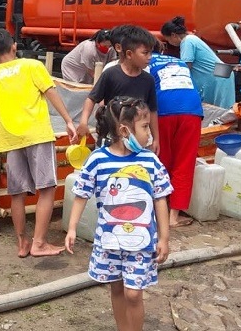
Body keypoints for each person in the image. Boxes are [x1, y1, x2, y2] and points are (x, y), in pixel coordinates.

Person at [65, 96, 172, 331]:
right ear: (125, 130)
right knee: (116, 287)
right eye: (145, 127)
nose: (149, 134)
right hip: (109, 242)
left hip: (142, 244)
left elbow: (160, 199)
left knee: (133, 294)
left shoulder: (150, 161)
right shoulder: (97, 160)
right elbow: (81, 194)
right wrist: (72, 227)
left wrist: (164, 238)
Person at [0, 28, 77, 257]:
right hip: (37, 134)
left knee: (17, 192)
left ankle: (23, 243)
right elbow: (51, 92)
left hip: (10, 138)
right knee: (45, 188)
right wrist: (68, 120)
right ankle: (40, 243)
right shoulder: (32, 66)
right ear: (14, 46)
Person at [76, 25, 159, 154]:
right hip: (111, 137)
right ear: (129, 54)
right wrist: (83, 122)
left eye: (150, 52)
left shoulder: (148, 80)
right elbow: (92, 98)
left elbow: (152, 110)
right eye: (145, 53)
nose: (149, 57)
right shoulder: (111, 74)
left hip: (137, 141)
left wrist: (155, 139)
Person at [148, 48, 203, 227]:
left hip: (163, 112)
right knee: (184, 163)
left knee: (162, 160)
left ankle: (158, 212)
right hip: (192, 111)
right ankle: (173, 216)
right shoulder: (177, 60)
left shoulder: (143, 61)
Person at [161, 16, 235, 109]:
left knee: (220, 111)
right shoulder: (192, 39)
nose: (169, 42)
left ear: (173, 35)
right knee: (219, 109)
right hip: (222, 72)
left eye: (168, 40)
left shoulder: (187, 41)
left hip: (220, 76)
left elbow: (186, 66)